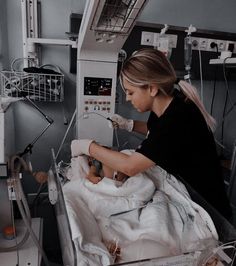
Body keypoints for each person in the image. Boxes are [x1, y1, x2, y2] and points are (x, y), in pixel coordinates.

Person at [71, 48, 232, 220]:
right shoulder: (168, 105)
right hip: (188, 192)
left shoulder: (178, 118)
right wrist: (129, 124)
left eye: (130, 92)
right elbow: (157, 135)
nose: (127, 98)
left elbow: (130, 166)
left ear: (152, 89)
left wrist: (88, 146)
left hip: (208, 210)